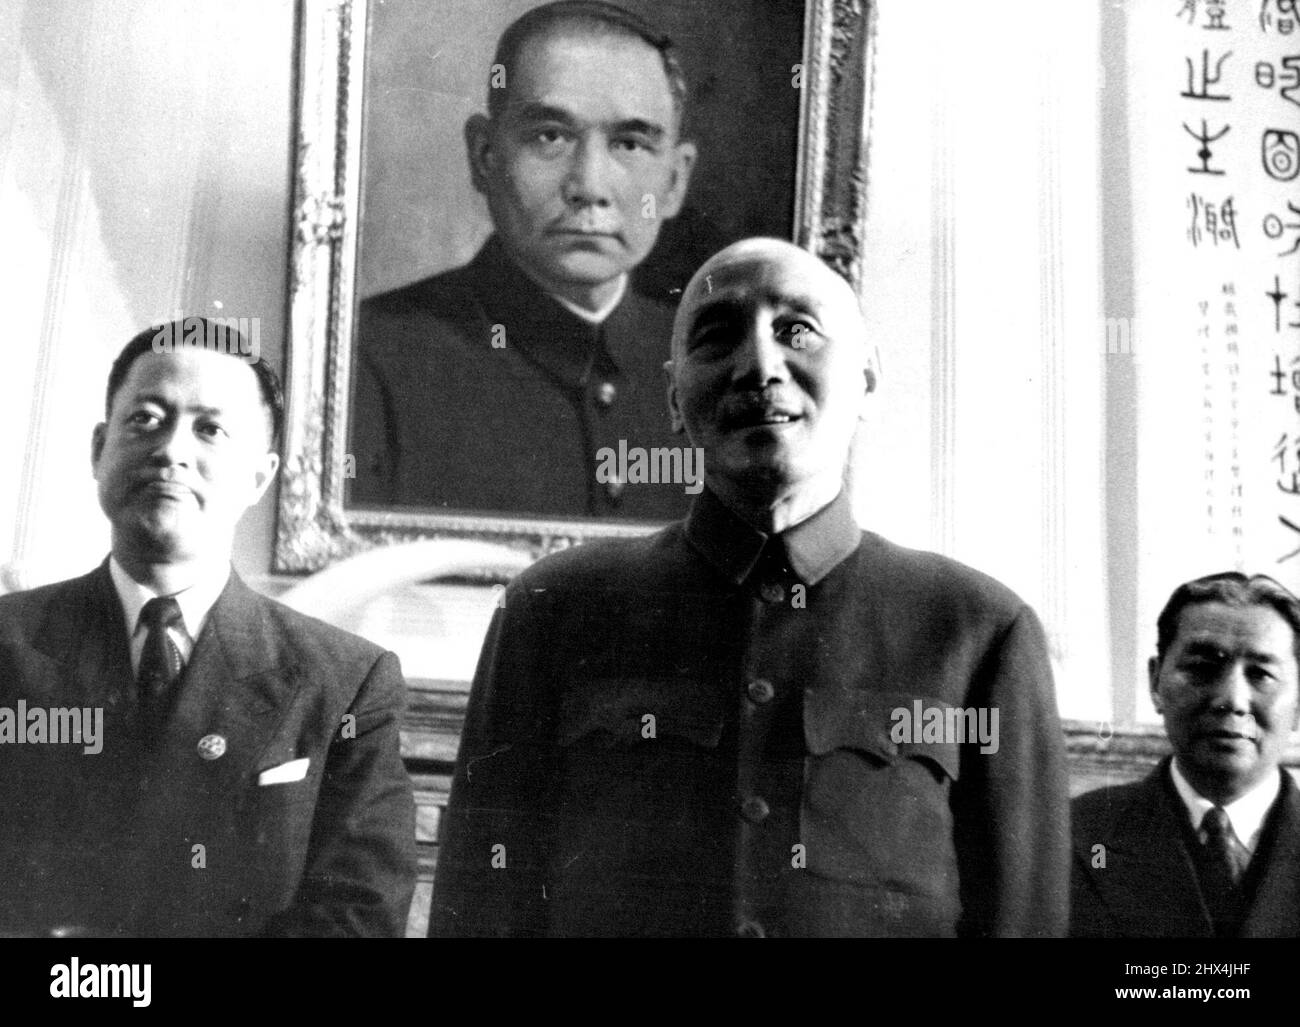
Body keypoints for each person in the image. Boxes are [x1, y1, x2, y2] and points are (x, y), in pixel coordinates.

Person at [429, 237, 1070, 937]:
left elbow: (1023, 922)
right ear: (675, 398)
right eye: (716, 337)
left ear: (869, 380)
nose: (759, 365)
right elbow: (481, 904)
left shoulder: (977, 630)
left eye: (797, 331)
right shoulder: (553, 609)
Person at [0, 318, 417, 937]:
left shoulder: (347, 681)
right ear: (98, 449)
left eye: (210, 429)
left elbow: (358, 916)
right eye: (145, 418)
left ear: (260, 476)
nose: (171, 450)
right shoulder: (9, 642)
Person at [352, 0, 699, 519]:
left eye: (629, 143)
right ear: (485, 156)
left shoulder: (709, 367)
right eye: (550, 137)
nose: (589, 187)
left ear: (674, 180)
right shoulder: (368, 358)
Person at [1071, 572, 1300, 938]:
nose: (1232, 699)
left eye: (1260, 674)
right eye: (1201, 668)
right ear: (1156, 681)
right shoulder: (1075, 836)